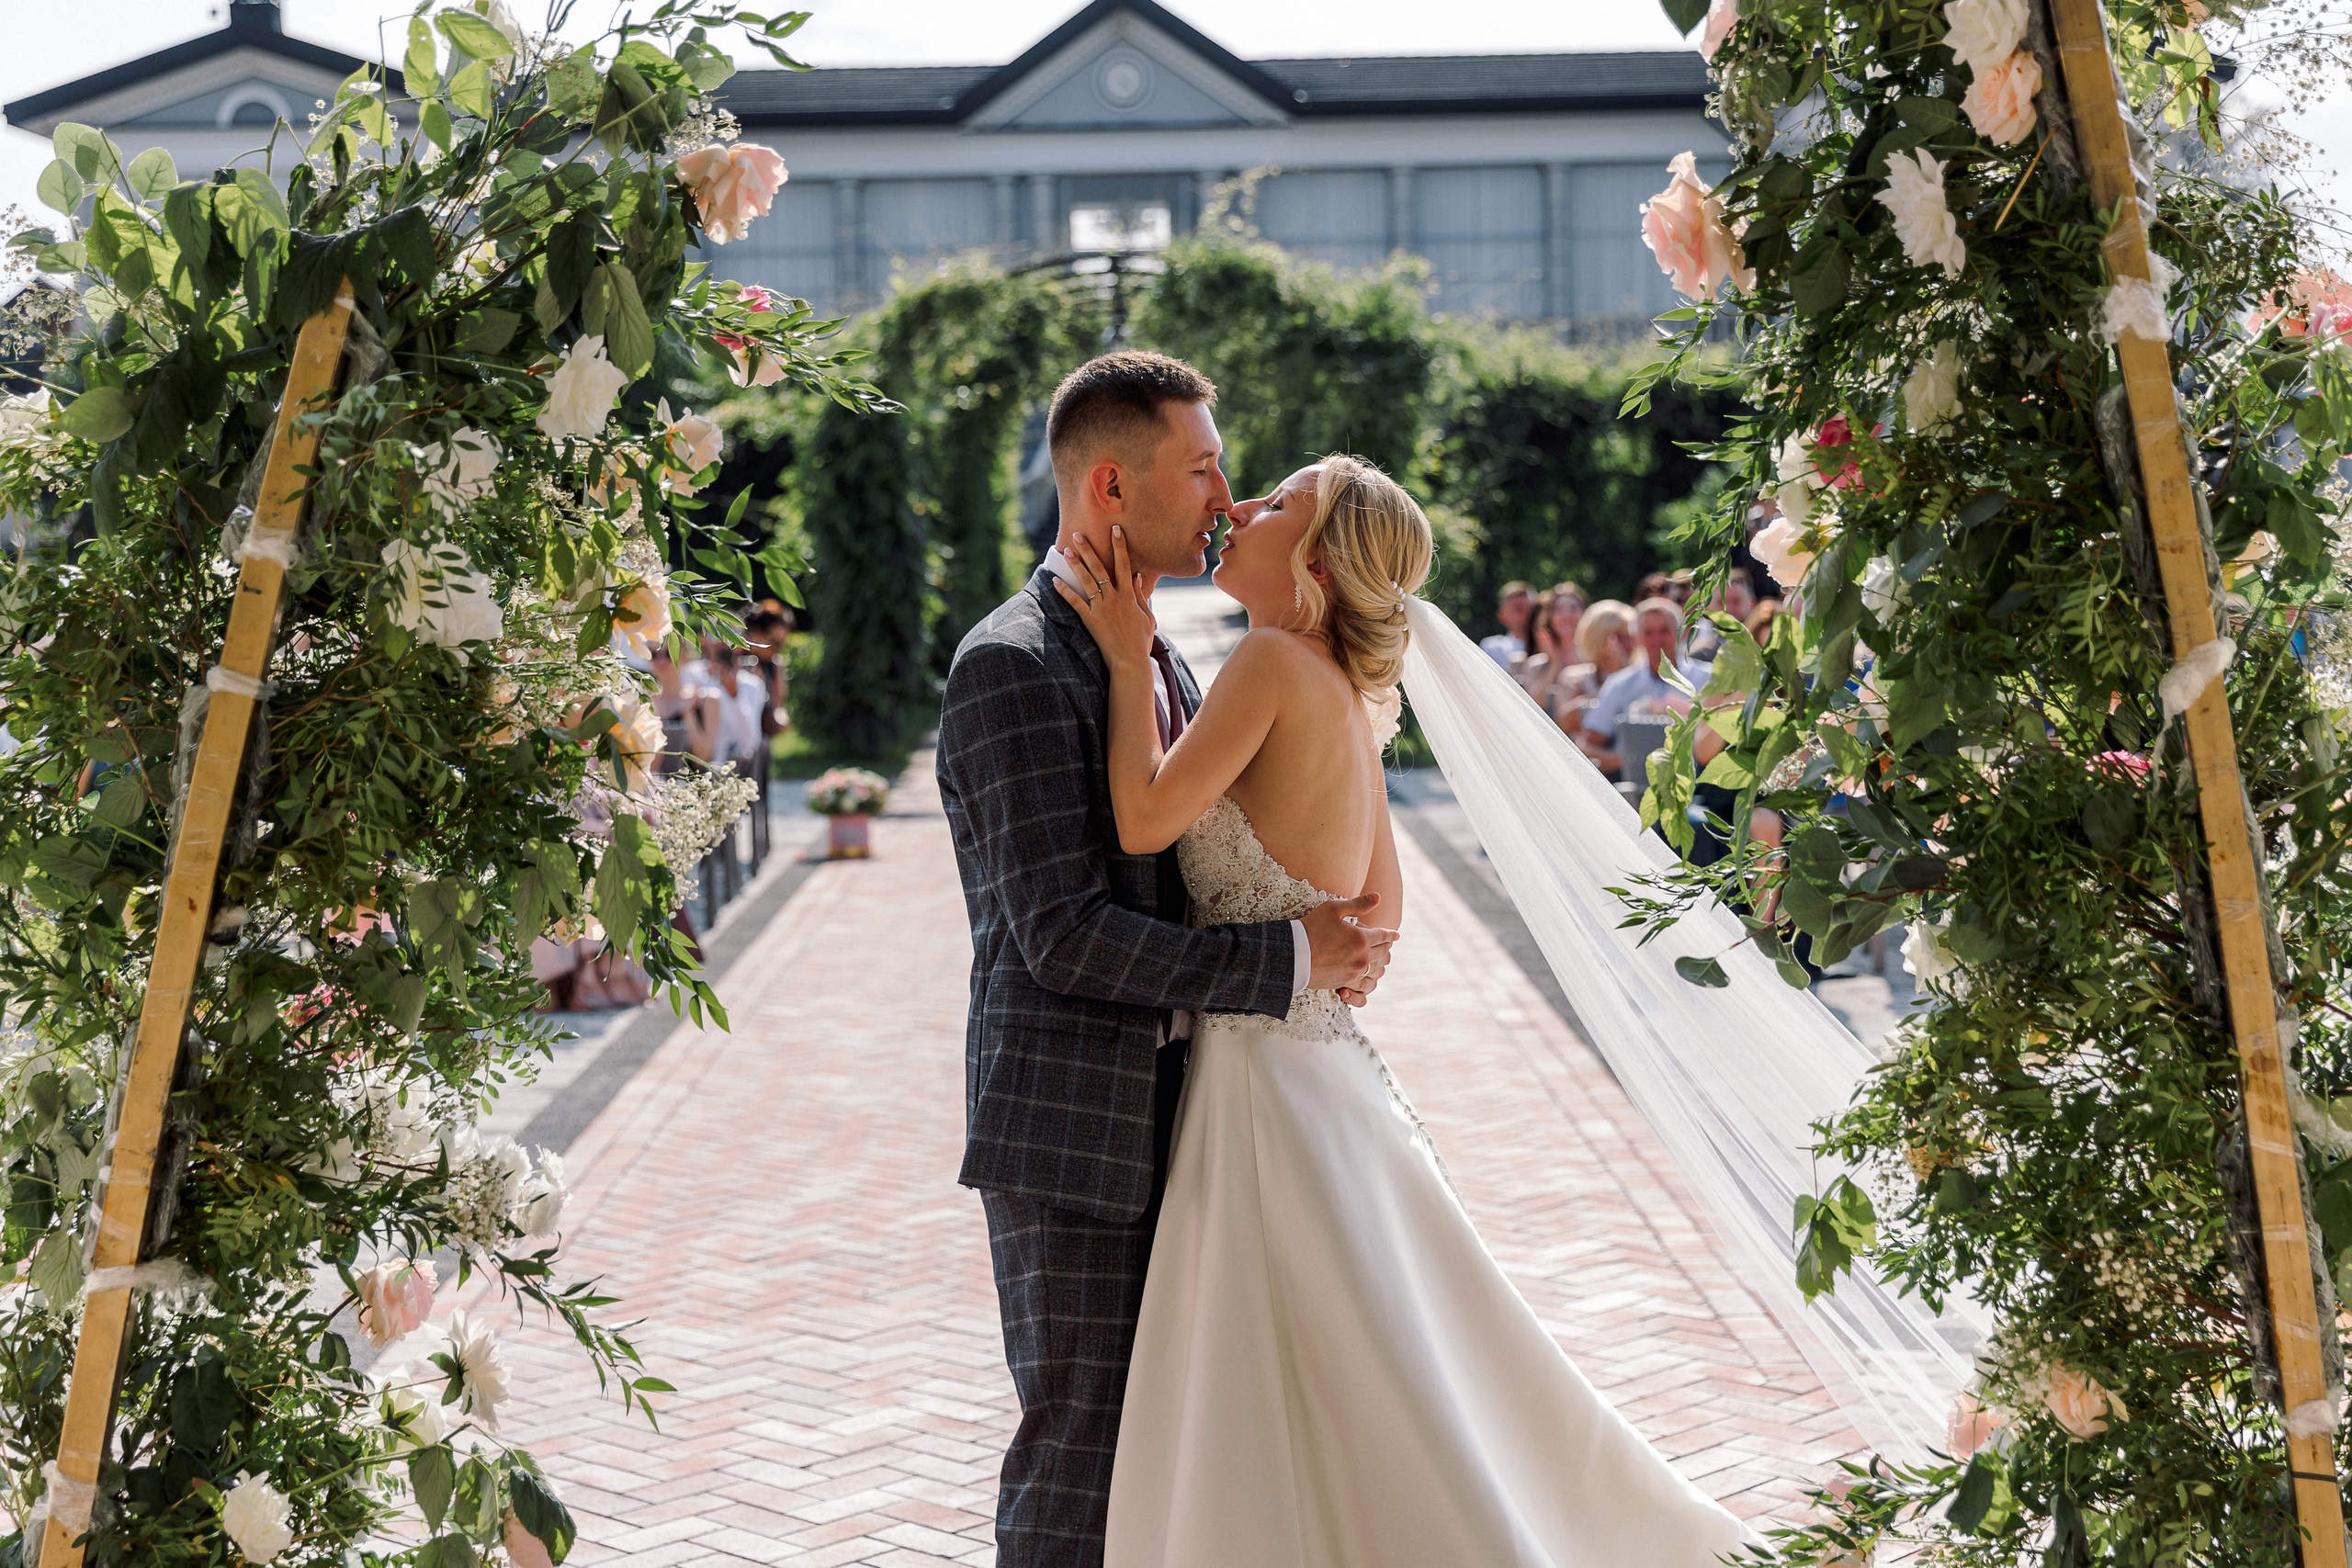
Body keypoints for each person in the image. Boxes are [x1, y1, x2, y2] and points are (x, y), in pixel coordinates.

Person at [1053, 457, 1750, 1566]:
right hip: (1319, 1064)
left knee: (1314, 1368)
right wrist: (1320, 945)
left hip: (1262, 1080)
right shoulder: (1346, 686)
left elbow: (1141, 821)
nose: (1240, 506)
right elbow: (1381, 907)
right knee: (1382, 1363)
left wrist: (1130, 661)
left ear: (1317, 560)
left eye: (1276, 503)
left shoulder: (1272, 662)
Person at [934, 353, 1398, 1568]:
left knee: (1183, 1466)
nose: (1224, 495)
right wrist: (1289, 960)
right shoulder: (1012, 664)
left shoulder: (1160, 652)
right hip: (1080, 1133)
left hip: (1205, 1123)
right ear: (1108, 483)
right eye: (1201, 468)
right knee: (1083, 1456)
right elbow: (1063, 931)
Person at [1578, 597, 1702, 778]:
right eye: (1648, 632)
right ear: (1637, 639)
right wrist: (1632, 759)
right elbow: (1587, 745)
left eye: (1664, 630)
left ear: (1680, 633)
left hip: (1694, 782)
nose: (1657, 639)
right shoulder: (1619, 684)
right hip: (1632, 784)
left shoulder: (1708, 679)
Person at [1476, 579, 1533, 668]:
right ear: (1502, 615)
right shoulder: (1493, 649)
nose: (1526, 613)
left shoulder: (1551, 647)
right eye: (1518, 608)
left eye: (1531, 608)